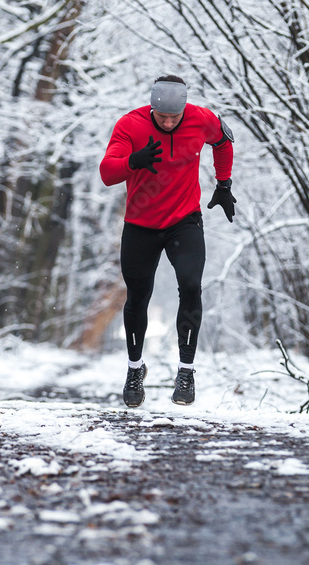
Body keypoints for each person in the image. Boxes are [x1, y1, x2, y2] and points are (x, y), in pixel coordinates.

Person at [99, 75, 235, 407]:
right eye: (163, 118)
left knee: (191, 286)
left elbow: (223, 140)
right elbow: (107, 172)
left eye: (176, 116)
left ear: (185, 108)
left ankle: (185, 371)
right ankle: (134, 369)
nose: (170, 122)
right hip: (140, 224)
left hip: (183, 221)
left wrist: (224, 183)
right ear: (152, 109)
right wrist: (134, 161)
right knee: (138, 296)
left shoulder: (202, 120)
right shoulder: (130, 125)